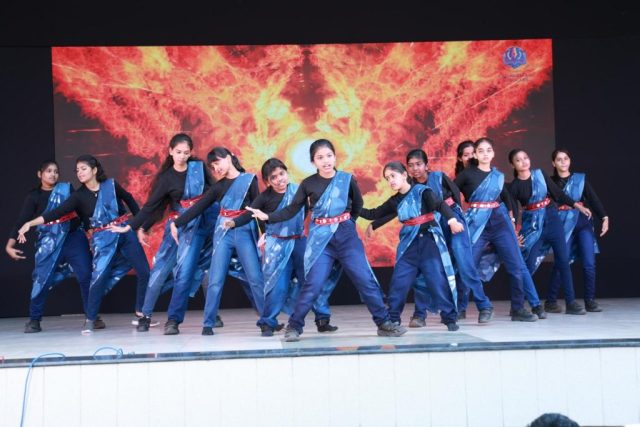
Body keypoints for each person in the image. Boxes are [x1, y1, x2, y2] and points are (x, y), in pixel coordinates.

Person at [247, 139, 407, 341]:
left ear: (335, 157)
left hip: (347, 238)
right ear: (313, 162)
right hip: (321, 241)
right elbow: (292, 210)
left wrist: (346, 223)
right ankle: (294, 327)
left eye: (329, 156)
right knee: (313, 284)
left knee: (365, 279)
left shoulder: (347, 179)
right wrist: (268, 216)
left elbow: (357, 205)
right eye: (320, 158)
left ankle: (383, 323)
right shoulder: (308, 184)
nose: (326, 161)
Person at [18, 155, 149, 334]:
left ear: (94, 170)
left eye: (83, 168)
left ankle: (142, 312)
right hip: (103, 238)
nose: (79, 172)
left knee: (144, 271)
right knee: (97, 278)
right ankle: (90, 319)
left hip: (124, 231)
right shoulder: (78, 196)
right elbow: (56, 213)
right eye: (77, 170)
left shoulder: (110, 185)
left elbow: (130, 199)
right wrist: (30, 223)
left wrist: (139, 226)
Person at [109, 133, 224, 333]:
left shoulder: (198, 168)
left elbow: (214, 193)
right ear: (171, 151)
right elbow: (152, 206)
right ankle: (145, 315)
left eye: (186, 152)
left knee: (205, 270)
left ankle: (212, 315)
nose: (182, 156)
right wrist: (133, 226)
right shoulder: (166, 178)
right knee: (161, 271)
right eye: (178, 152)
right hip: (178, 229)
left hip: (203, 225)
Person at [367, 149, 494, 324]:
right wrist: (375, 223)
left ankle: (483, 305)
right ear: (406, 170)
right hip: (433, 226)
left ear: (427, 165)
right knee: (426, 270)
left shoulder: (438, 177)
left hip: (451, 221)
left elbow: (455, 197)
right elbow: (397, 209)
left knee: (464, 265)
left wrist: (454, 220)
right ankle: (420, 314)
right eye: (411, 165)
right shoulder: (410, 188)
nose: (415, 168)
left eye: (418, 164)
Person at [225, 158, 339, 336]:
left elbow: (307, 210)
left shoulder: (298, 190)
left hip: (299, 242)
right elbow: (250, 214)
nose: (279, 179)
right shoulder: (265, 197)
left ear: (287, 173)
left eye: (282, 174)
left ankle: (322, 319)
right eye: (274, 177)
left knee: (311, 280)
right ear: (267, 181)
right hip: (277, 245)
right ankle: (267, 323)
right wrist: (233, 223)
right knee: (277, 286)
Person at [359, 161, 464, 330]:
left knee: (437, 281)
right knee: (398, 283)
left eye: (393, 176)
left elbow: (439, 205)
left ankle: (449, 318)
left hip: (428, 242)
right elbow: (374, 213)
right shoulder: (395, 201)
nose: (391, 181)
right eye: (387, 178)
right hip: (409, 245)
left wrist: (452, 220)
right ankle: (393, 319)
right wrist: (351, 206)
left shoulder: (422, 191)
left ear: (404, 175)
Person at [172, 147, 264, 335]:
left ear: (229, 158)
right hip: (223, 233)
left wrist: (265, 233)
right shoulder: (218, 187)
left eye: (218, 162)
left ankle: (267, 320)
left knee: (255, 278)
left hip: (244, 231)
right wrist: (177, 223)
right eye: (213, 166)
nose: (216, 168)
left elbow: (257, 210)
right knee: (215, 279)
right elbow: (198, 207)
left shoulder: (249, 180)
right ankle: (208, 323)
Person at [453, 138, 537, 321]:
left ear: (493, 153)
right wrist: (454, 217)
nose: (485, 154)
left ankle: (518, 309)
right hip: (477, 225)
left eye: (488, 150)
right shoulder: (467, 174)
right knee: (467, 266)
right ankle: (460, 308)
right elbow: (449, 194)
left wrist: (513, 221)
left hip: (500, 223)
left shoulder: (497, 176)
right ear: (475, 154)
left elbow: (507, 198)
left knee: (515, 266)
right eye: (481, 150)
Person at [6, 160, 92, 333]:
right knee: (42, 279)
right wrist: (9, 246)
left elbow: (81, 211)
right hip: (49, 241)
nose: (53, 174)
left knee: (86, 275)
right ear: (40, 174)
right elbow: (22, 221)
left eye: (56, 171)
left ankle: (92, 317)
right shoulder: (34, 197)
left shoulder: (66, 189)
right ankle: (34, 320)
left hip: (73, 237)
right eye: (49, 171)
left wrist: (90, 231)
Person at [508, 148, 591, 315]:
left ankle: (570, 302)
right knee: (528, 264)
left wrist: (577, 206)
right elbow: (512, 213)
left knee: (563, 261)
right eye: (518, 160)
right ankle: (517, 305)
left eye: (525, 157)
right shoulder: (514, 187)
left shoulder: (540, 175)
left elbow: (558, 194)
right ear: (512, 165)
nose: (523, 162)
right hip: (533, 226)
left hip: (552, 220)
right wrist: (514, 234)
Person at [548, 148, 608, 312]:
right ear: (553, 163)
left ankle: (590, 300)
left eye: (566, 158)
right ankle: (551, 301)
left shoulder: (580, 179)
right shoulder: (550, 182)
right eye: (559, 159)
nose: (563, 162)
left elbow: (593, 199)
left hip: (582, 223)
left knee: (589, 262)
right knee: (562, 261)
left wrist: (604, 217)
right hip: (562, 225)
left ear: (570, 161)